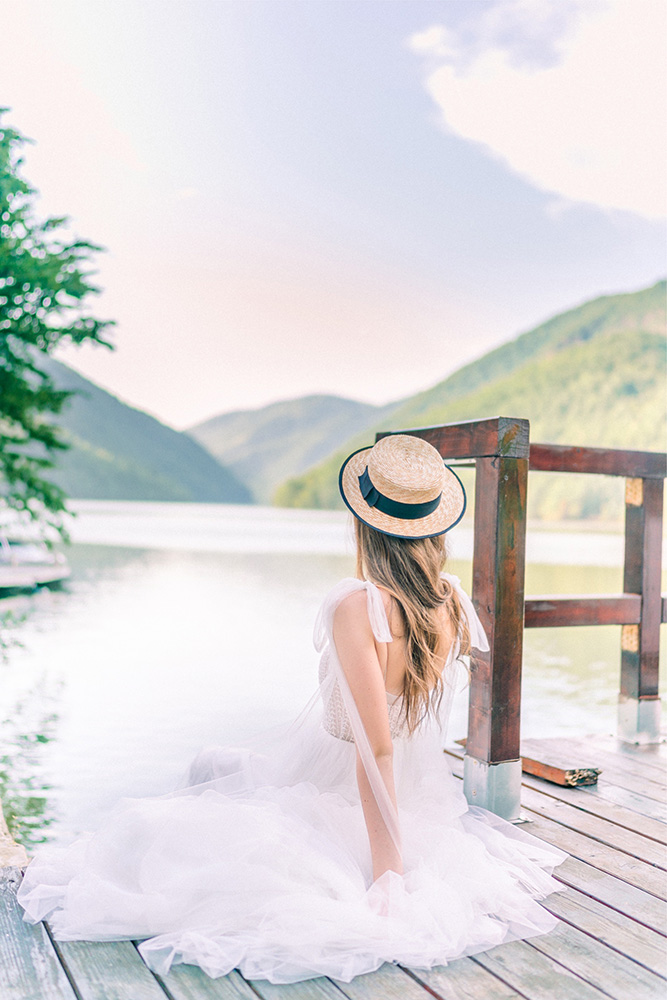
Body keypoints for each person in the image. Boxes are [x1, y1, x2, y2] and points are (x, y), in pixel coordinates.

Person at [18, 434, 566, 985]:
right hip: (418, 802)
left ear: (364, 522)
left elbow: (374, 747)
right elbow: (398, 740)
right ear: (433, 526)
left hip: (350, 797)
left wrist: (389, 875)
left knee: (189, 798)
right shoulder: (449, 600)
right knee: (215, 767)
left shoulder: (359, 606)